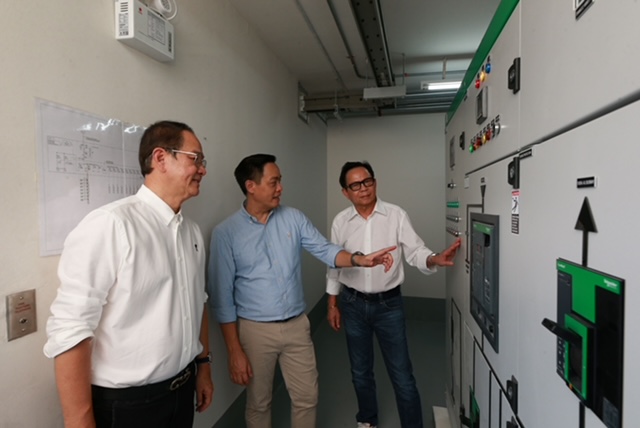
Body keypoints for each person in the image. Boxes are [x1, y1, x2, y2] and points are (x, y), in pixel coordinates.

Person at [43, 120, 214, 428]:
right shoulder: (110, 225)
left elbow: (198, 302)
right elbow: (71, 328)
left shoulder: (191, 232)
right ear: (161, 158)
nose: (203, 169)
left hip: (182, 390)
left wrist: (203, 366)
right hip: (129, 406)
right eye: (195, 158)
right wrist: (79, 420)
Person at [208, 153, 395, 428]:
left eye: (280, 181)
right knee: (259, 403)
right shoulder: (226, 233)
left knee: (307, 397)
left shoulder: (293, 218)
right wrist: (234, 351)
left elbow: (325, 250)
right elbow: (222, 300)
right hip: (256, 332)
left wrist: (359, 259)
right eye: (274, 182)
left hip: (297, 326)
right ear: (251, 186)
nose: (280, 188)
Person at [326, 161, 462, 428]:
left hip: (388, 305)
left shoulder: (396, 215)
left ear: (375, 182)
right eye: (356, 185)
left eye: (368, 181)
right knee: (360, 371)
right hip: (353, 304)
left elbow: (415, 251)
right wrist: (332, 303)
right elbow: (334, 263)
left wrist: (434, 258)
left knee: (402, 374)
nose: (364, 188)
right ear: (345, 192)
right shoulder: (340, 221)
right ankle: (367, 420)